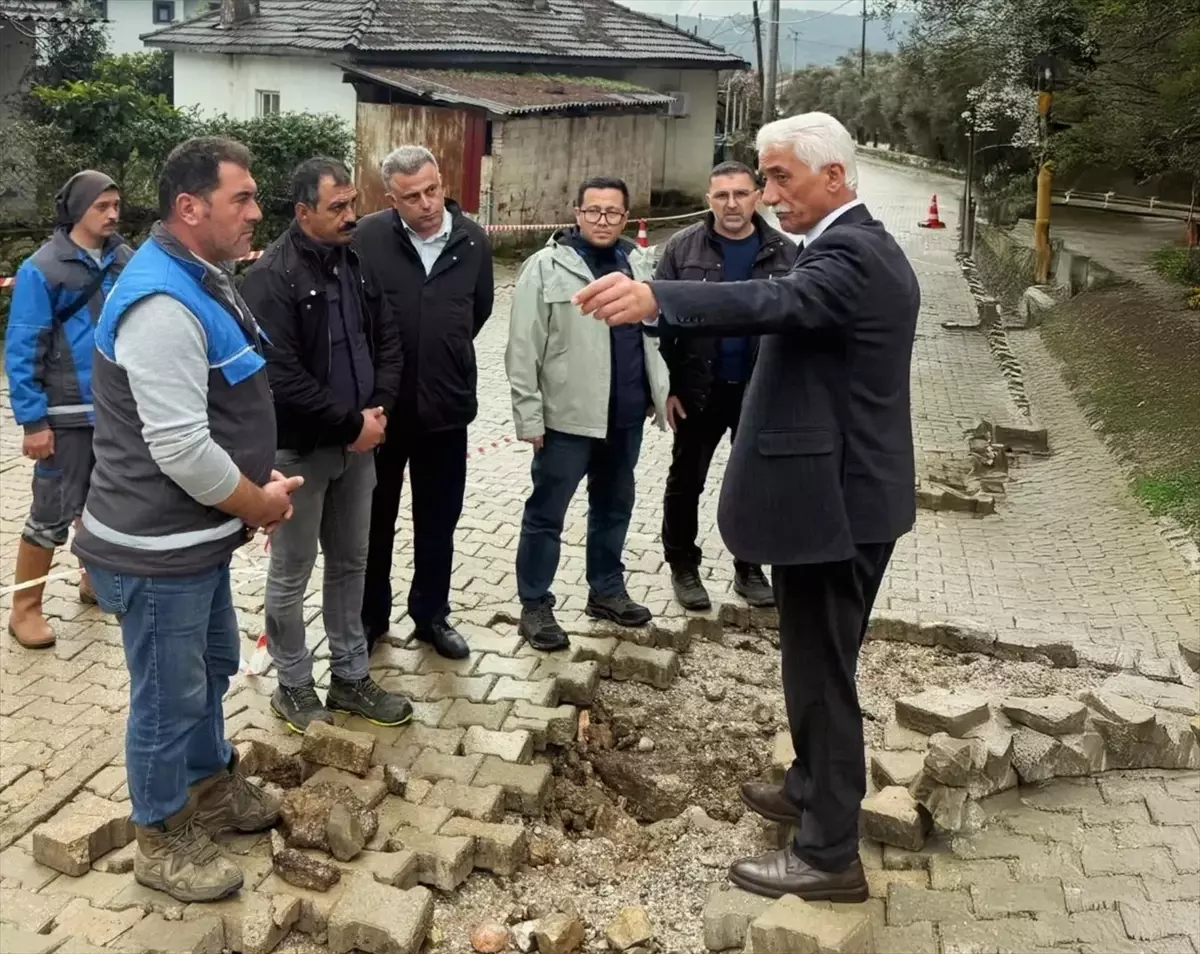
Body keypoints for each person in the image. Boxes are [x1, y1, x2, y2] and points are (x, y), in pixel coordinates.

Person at [574, 112, 919, 902]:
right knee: (814, 662)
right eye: (761, 179)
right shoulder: (850, 245)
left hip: (837, 507)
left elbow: (777, 301)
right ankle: (809, 787)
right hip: (839, 499)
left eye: (778, 178)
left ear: (833, 177)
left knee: (822, 675)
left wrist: (655, 294)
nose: (766, 194)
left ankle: (829, 853)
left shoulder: (852, 254)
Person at [74, 137, 303, 904]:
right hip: (155, 549)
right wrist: (258, 501)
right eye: (242, 198)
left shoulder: (200, 277)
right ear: (190, 207)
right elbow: (180, 448)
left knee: (208, 671)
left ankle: (212, 789)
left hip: (194, 541)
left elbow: (214, 411)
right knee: (166, 697)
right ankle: (160, 836)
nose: (256, 212)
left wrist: (250, 479)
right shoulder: (161, 303)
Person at [240, 157, 410, 733]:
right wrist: (350, 424)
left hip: (359, 445)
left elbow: (387, 337)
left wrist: (377, 413)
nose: (350, 216)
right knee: (292, 571)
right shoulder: (271, 276)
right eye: (337, 207)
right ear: (302, 211)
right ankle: (292, 684)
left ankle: (350, 676)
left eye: (353, 204)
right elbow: (279, 376)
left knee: (351, 563)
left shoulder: (354, 263)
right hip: (299, 452)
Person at [506, 177, 670, 651]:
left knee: (614, 508)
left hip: (625, 417)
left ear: (625, 217)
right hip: (566, 420)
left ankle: (606, 590)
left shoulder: (638, 263)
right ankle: (535, 604)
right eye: (593, 211)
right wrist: (528, 417)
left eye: (612, 212)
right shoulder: (546, 266)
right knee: (546, 515)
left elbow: (655, 339)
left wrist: (660, 394)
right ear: (576, 213)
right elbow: (523, 347)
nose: (603, 220)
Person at [354, 146, 494, 660]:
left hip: (446, 411)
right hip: (382, 415)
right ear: (391, 199)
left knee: (438, 521)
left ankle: (432, 616)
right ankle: (371, 619)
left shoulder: (473, 240)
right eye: (411, 197)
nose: (427, 204)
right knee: (375, 521)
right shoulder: (367, 238)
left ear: (442, 182)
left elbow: (476, 314)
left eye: (432, 190)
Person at [656, 161, 798, 612]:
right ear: (708, 199)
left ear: (757, 195)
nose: (731, 204)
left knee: (756, 483)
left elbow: (798, 324)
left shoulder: (786, 253)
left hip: (760, 391)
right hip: (698, 389)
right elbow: (659, 320)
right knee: (686, 481)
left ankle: (750, 566)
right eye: (721, 196)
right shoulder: (682, 249)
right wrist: (667, 387)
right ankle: (683, 566)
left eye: (740, 194)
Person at [3, 171, 131, 649]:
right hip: (65, 414)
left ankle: (93, 581)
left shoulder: (124, 259)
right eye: (102, 206)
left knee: (106, 507)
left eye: (116, 204)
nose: (113, 214)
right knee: (51, 513)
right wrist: (34, 421)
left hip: (115, 411)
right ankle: (25, 609)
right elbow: (23, 347)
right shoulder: (42, 268)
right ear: (77, 210)